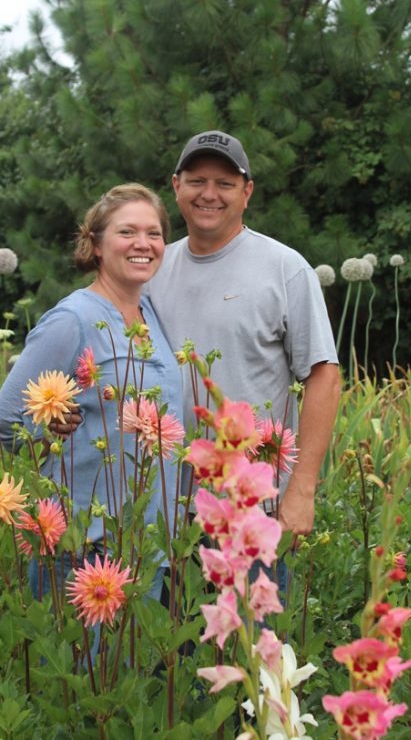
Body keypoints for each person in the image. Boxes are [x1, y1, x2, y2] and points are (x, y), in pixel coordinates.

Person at [0, 184, 184, 607]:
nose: (143, 244)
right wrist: (47, 431)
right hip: (82, 550)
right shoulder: (71, 319)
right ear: (95, 244)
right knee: (83, 671)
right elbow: (4, 421)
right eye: (127, 232)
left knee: (131, 673)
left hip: (146, 550)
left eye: (154, 233)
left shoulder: (150, 314)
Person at [144, 131, 341, 538]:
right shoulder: (151, 270)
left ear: (247, 192)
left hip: (254, 510)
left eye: (225, 184)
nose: (209, 194)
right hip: (164, 510)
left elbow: (324, 377)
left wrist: (302, 490)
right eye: (197, 181)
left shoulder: (285, 269)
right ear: (176, 186)